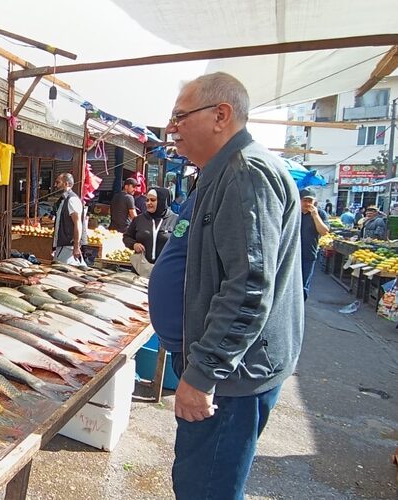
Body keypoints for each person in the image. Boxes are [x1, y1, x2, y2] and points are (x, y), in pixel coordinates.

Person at [162, 72, 303, 499]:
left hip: (231, 377)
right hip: (227, 370)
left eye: (180, 116)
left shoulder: (245, 173)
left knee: (205, 489)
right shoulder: (219, 171)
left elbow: (248, 289)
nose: (172, 128)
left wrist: (204, 374)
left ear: (220, 115)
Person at [122, 186, 178, 265]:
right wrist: (134, 245)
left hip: (166, 268)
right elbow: (126, 237)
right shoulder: (139, 219)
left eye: (153, 200)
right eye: (147, 200)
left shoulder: (175, 220)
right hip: (141, 269)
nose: (149, 203)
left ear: (162, 201)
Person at [299, 188, 330, 300]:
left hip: (308, 254)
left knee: (303, 285)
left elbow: (324, 232)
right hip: (291, 254)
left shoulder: (320, 213)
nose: (307, 203)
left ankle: (301, 306)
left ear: (314, 202)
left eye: (310, 201)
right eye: (304, 200)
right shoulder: (293, 212)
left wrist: (315, 216)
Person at [51, 173, 87, 265]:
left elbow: (78, 224)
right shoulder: (64, 200)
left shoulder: (72, 200)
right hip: (64, 245)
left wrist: (76, 246)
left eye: (58, 182)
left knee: (61, 272)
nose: (56, 185)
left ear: (66, 184)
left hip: (68, 246)